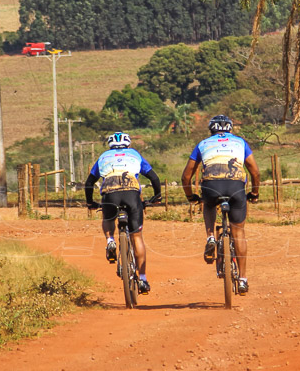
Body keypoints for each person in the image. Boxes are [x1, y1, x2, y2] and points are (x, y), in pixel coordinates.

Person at [181, 115, 261, 294]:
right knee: (238, 232)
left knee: (208, 204)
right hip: (236, 187)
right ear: (230, 129)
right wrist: (255, 193)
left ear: (211, 130)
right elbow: (255, 172)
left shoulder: (203, 144)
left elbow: (186, 176)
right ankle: (242, 279)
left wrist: (190, 196)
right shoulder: (240, 143)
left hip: (211, 186)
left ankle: (210, 237)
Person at [84, 132, 162, 294]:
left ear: (110, 145)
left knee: (108, 217)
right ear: (128, 144)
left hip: (110, 194)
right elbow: (154, 178)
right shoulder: (135, 155)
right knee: (136, 237)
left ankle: (110, 240)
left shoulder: (103, 157)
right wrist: (157, 196)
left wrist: (90, 202)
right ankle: (143, 279)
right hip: (131, 195)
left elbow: (89, 182)